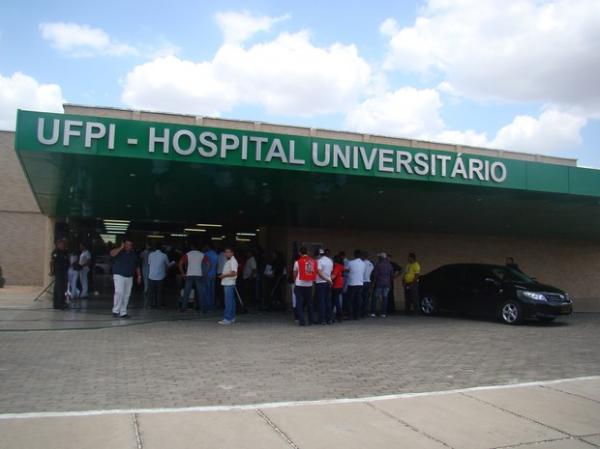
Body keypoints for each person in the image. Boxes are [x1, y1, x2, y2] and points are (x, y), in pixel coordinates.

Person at [110, 239, 141, 318]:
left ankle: (123, 312)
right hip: (119, 275)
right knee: (119, 292)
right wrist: (120, 248)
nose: (129, 246)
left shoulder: (134, 254)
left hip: (129, 276)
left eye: (130, 245)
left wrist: (139, 276)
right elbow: (112, 254)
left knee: (126, 295)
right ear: (123, 244)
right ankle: (115, 310)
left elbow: (137, 266)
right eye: (127, 244)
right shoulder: (119, 251)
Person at [293, 246, 317, 326]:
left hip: (299, 284)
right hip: (309, 285)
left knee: (299, 303)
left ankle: (302, 321)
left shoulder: (297, 262)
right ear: (308, 252)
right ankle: (311, 320)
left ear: (300, 253)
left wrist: (295, 281)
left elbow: (295, 274)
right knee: (310, 303)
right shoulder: (313, 261)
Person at [179, 242, 205, 311]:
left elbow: (180, 263)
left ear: (192, 247)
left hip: (189, 274)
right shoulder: (202, 254)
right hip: (198, 274)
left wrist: (182, 273)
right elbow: (209, 264)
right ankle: (202, 308)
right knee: (200, 292)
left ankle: (183, 308)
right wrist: (205, 273)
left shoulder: (187, 254)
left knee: (187, 292)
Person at [218, 247, 238, 325]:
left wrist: (223, 275)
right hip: (229, 283)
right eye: (225, 252)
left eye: (228, 252)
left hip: (229, 283)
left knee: (228, 302)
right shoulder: (231, 260)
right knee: (231, 302)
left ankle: (227, 319)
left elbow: (234, 273)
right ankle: (232, 318)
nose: (226, 253)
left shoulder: (232, 261)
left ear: (232, 253)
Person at [371, 253, 394, 317]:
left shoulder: (378, 265)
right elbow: (392, 276)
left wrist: (373, 283)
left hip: (379, 283)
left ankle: (373, 312)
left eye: (379, 257)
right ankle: (383, 313)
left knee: (375, 297)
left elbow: (375, 275)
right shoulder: (389, 265)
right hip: (387, 284)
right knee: (385, 298)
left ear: (381, 258)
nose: (378, 258)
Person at [315, 248, 333, 324]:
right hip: (328, 283)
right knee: (328, 301)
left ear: (319, 255)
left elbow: (319, 272)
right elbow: (330, 271)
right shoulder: (330, 261)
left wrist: (326, 279)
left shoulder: (319, 261)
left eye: (316, 256)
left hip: (321, 282)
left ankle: (322, 319)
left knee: (321, 302)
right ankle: (329, 319)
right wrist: (328, 280)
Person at [346, 249, 366, 320]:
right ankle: (357, 316)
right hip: (360, 283)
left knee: (349, 300)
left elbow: (346, 270)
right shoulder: (363, 263)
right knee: (358, 300)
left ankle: (350, 315)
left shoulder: (351, 262)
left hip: (352, 283)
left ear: (355, 255)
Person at [50, 238, 69, 310]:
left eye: (64, 244)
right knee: (59, 288)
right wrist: (51, 271)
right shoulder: (56, 252)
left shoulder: (64, 252)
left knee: (63, 287)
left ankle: (60, 303)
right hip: (58, 272)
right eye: (62, 244)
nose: (63, 245)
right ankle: (59, 304)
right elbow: (51, 262)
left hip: (64, 271)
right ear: (58, 244)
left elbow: (67, 261)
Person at [202, 244, 218, 311]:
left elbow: (206, 264)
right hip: (213, 274)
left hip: (207, 274)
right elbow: (217, 265)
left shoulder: (205, 254)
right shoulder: (216, 254)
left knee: (206, 291)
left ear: (207, 246)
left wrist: (204, 273)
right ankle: (212, 306)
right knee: (212, 290)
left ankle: (207, 306)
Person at [331, 254, 345, 322]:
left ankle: (339, 316)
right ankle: (332, 315)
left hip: (336, 286)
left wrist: (326, 278)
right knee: (334, 301)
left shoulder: (336, 266)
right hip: (340, 285)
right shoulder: (341, 266)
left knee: (336, 301)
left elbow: (333, 276)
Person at [361, 252, 374, 317]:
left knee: (360, 298)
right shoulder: (371, 264)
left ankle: (360, 312)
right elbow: (372, 274)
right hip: (368, 282)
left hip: (361, 282)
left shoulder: (362, 263)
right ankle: (365, 312)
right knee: (366, 298)